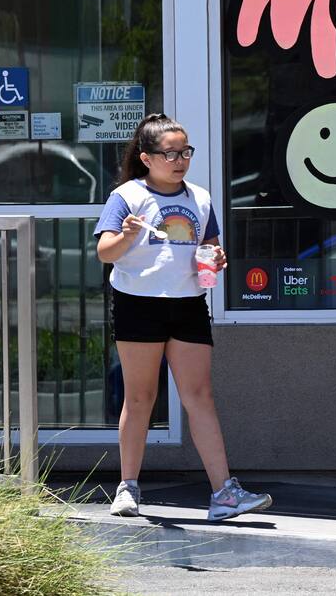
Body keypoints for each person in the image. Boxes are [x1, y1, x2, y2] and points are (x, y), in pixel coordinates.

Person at [95, 113, 272, 522]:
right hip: (138, 301)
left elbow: (208, 247)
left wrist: (217, 258)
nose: (180, 160)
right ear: (147, 157)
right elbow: (105, 252)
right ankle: (128, 488)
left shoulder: (201, 197)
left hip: (189, 302)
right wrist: (126, 236)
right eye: (170, 153)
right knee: (140, 398)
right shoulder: (128, 196)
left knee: (200, 396)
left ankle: (224, 494)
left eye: (185, 152)